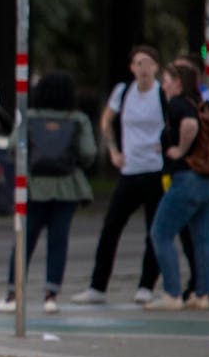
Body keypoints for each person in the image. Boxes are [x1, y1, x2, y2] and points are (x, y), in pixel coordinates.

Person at [0, 71, 97, 315]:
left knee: (23, 240)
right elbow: (89, 153)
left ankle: (12, 294)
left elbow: (12, 148)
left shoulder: (29, 118)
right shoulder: (78, 119)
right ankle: (51, 295)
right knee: (58, 241)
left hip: (33, 187)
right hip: (67, 188)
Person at [71, 45, 166, 305]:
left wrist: (167, 144)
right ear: (132, 68)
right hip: (130, 168)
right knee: (111, 227)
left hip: (155, 169)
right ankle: (98, 286)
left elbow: (176, 121)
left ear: (156, 67)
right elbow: (106, 120)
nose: (143, 69)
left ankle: (147, 284)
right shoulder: (124, 92)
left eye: (148, 63)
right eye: (138, 64)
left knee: (154, 230)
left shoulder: (161, 94)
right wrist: (113, 150)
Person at [146, 60, 209, 311]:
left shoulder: (178, 104)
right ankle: (203, 294)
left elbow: (190, 125)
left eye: (167, 79)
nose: (163, 85)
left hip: (189, 179)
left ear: (178, 83)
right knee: (204, 238)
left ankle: (172, 293)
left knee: (161, 233)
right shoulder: (203, 104)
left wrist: (180, 150)